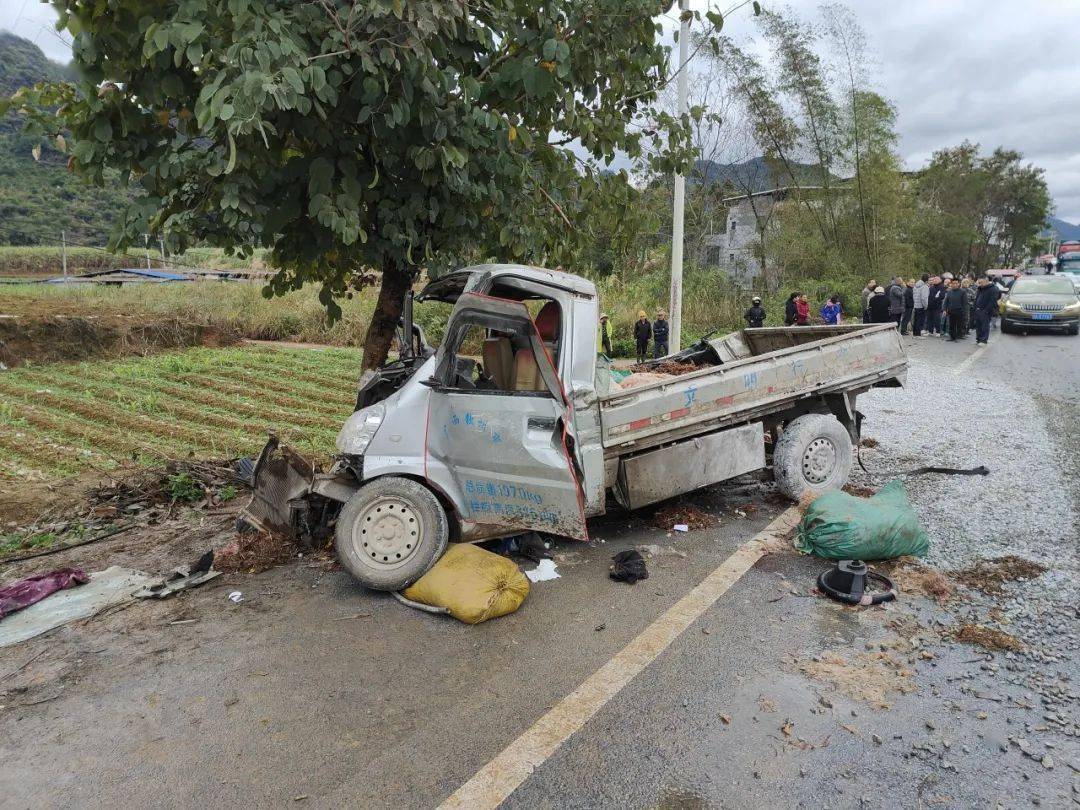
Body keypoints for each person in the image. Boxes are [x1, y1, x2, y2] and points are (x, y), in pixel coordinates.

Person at [973, 277, 1001, 346]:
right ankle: (978, 339)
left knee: (985, 326)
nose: (979, 284)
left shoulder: (993, 289)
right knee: (978, 325)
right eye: (979, 282)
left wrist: (986, 310)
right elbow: (977, 298)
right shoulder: (980, 289)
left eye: (981, 282)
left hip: (985, 311)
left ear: (986, 281)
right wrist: (975, 307)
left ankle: (983, 340)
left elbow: (992, 301)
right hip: (978, 309)